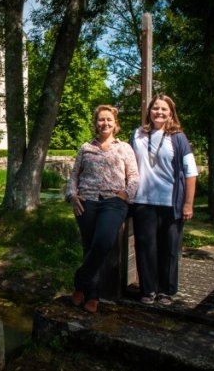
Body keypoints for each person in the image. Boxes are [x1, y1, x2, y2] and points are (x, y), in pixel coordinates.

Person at [66, 105, 139, 313]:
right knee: (89, 247)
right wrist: (72, 195)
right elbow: (73, 176)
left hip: (113, 201)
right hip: (86, 201)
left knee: (103, 242)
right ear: (95, 123)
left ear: (115, 124)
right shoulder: (85, 148)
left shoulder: (124, 148)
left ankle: (79, 281)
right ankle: (92, 295)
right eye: (100, 120)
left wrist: (126, 194)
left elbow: (134, 176)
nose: (104, 123)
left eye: (109, 120)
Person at [130, 94, 198, 306]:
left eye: (164, 109)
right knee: (145, 247)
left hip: (171, 202)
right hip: (143, 201)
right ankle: (148, 289)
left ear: (171, 113)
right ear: (149, 111)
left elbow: (191, 172)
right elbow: (127, 163)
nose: (159, 112)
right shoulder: (138, 134)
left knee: (169, 248)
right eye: (155, 108)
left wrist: (188, 203)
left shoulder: (178, 137)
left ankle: (165, 291)